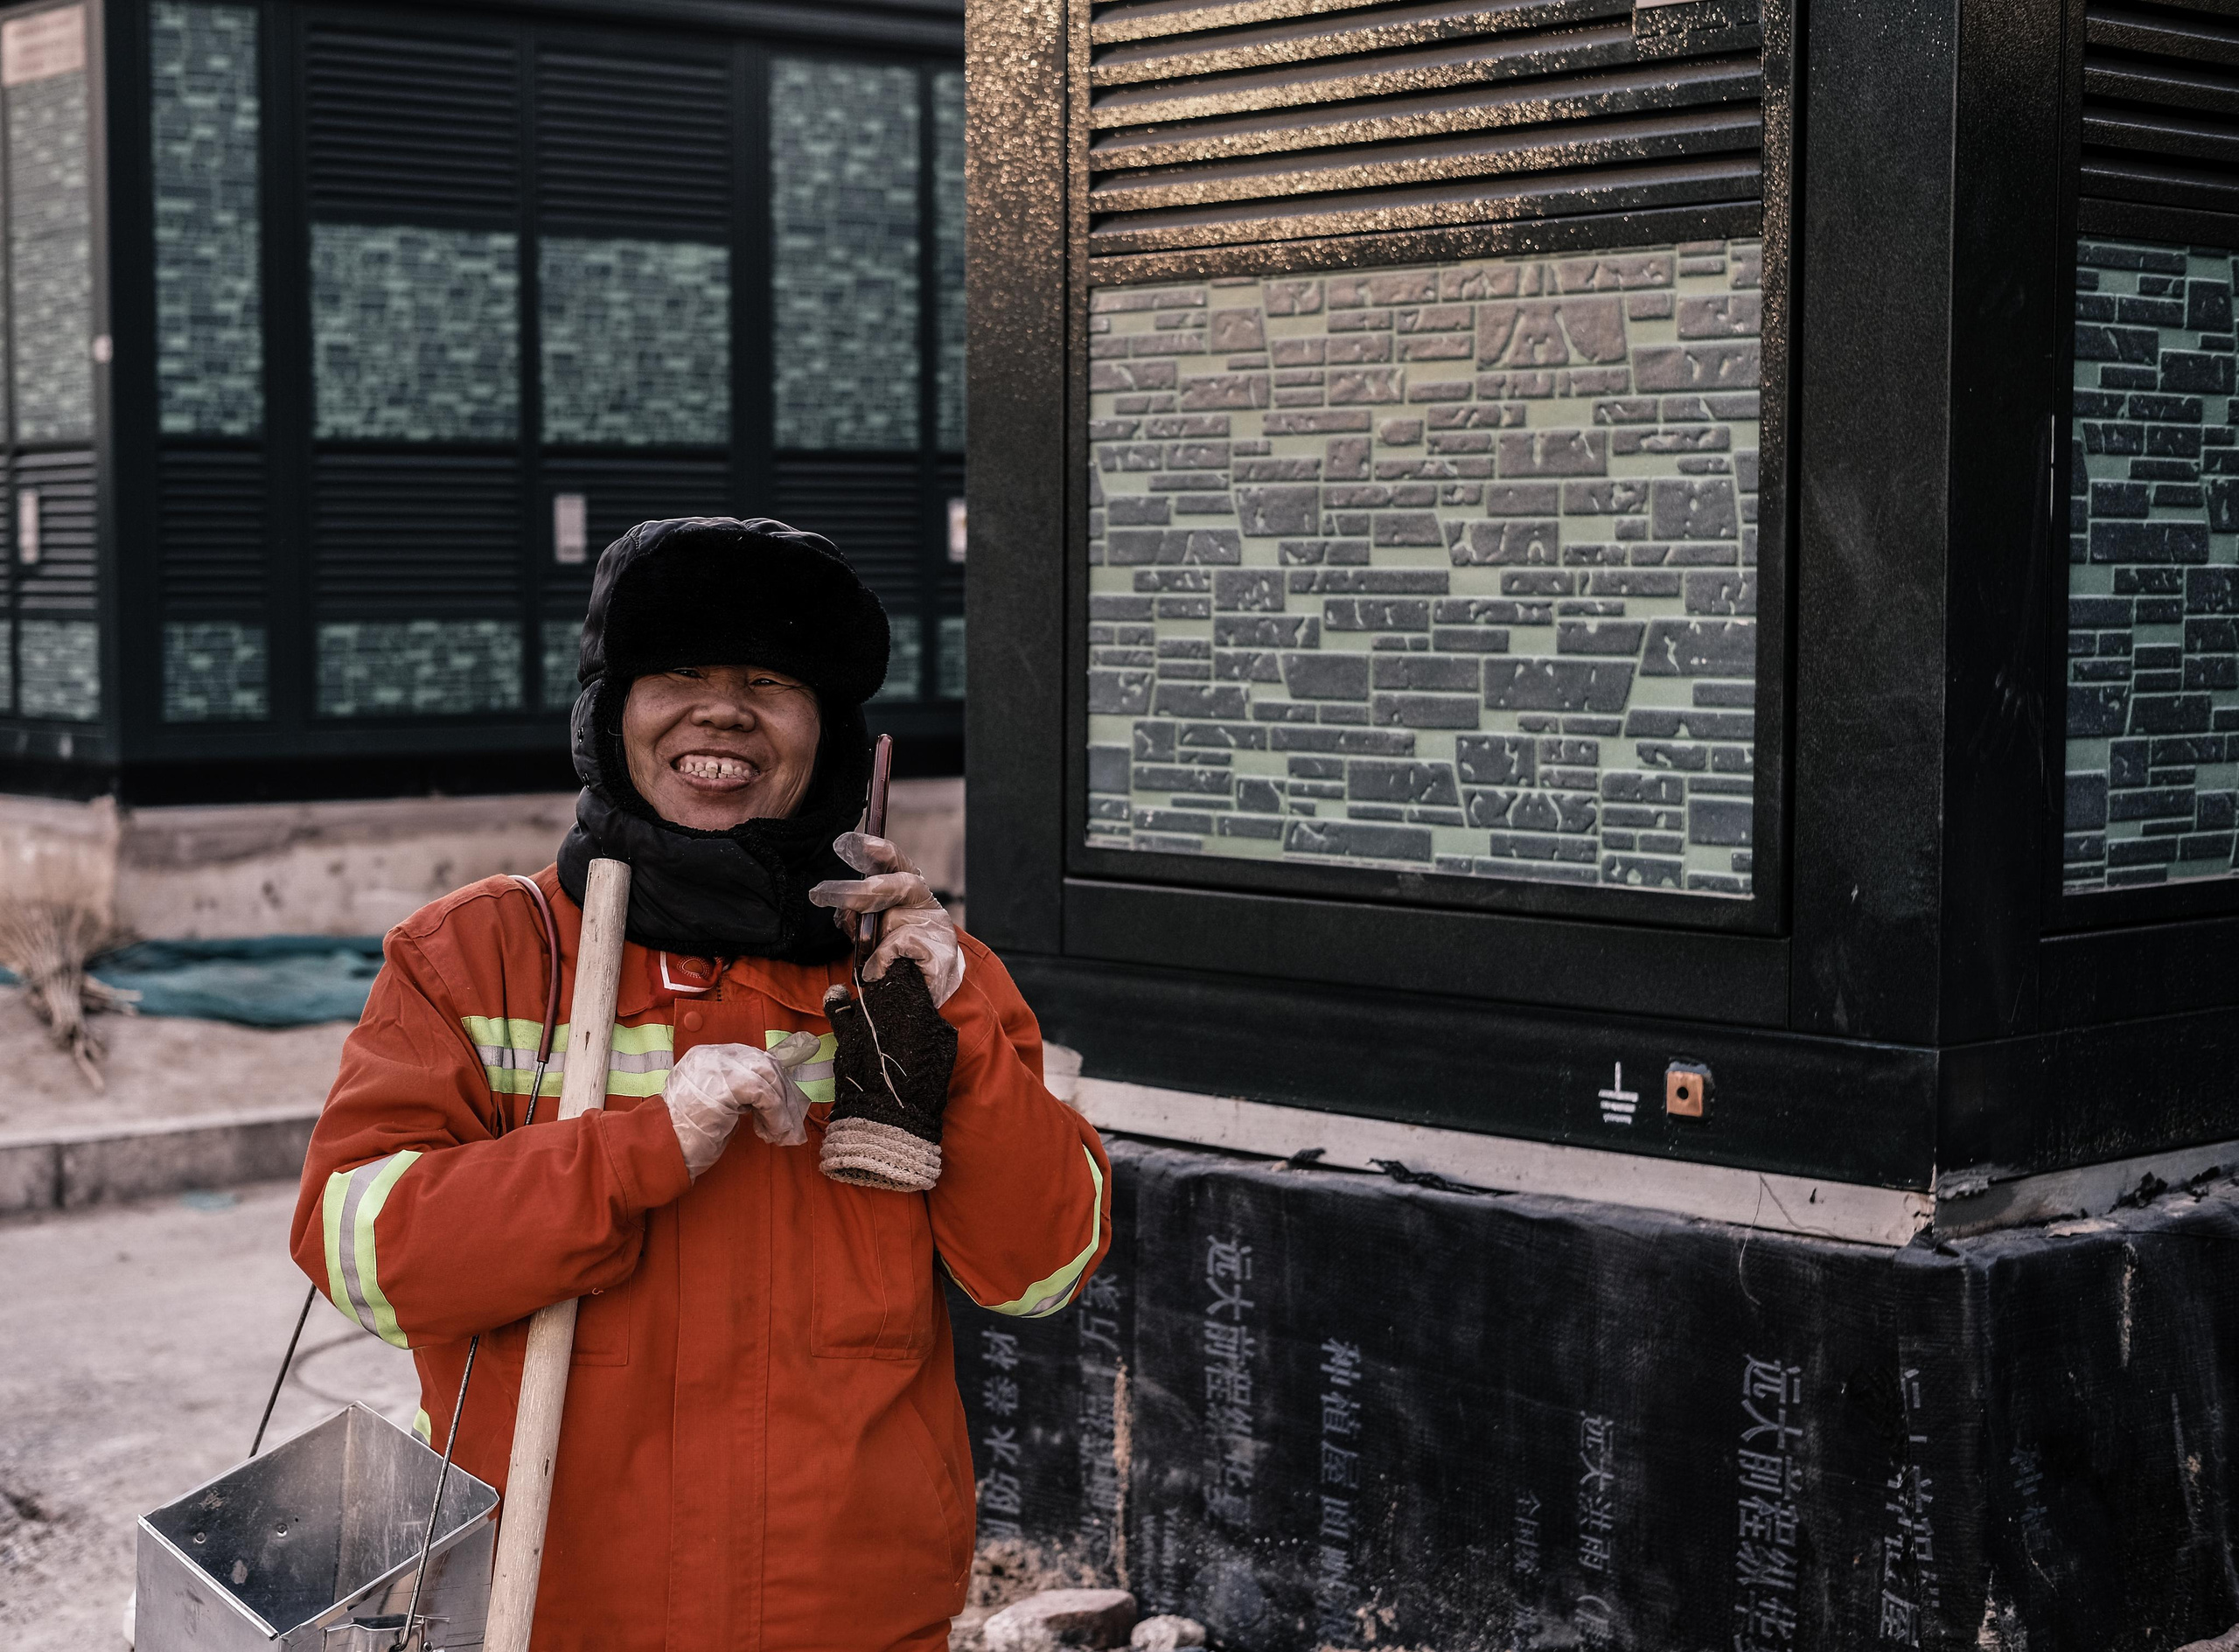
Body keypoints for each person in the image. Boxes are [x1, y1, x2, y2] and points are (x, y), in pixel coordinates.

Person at [289, 518, 1111, 1651]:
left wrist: (954, 1018)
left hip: (848, 1623)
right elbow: (358, 1255)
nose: (721, 712)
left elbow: (1046, 1268)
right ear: (610, 712)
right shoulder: (480, 954)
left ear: (826, 733)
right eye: (678, 672)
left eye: (768, 681)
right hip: (553, 1617)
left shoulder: (915, 973)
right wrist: (635, 1148)